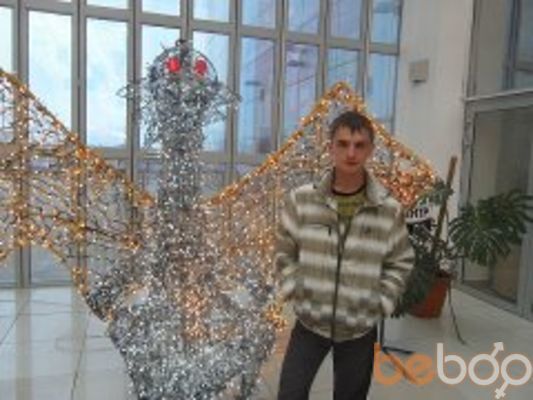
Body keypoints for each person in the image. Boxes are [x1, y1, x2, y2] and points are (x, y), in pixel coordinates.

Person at [275, 110, 415, 400]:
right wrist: (295, 289)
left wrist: (380, 302)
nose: (351, 153)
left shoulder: (388, 209)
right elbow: (284, 251)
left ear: (370, 150)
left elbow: (400, 262)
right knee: (290, 393)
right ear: (331, 148)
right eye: (343, 144)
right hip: (310, 321)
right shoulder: (302, 200)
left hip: (358, 328)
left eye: (359, 145)